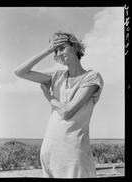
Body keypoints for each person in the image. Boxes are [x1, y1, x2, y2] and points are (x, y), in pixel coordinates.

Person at [14, 31, 104, 178]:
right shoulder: (57, 76)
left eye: (62, 47)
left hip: (75, 150)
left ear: (75, 48)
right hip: (50, 148)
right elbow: (19, 72)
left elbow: (67, 111)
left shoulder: (92, 77)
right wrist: (47, 50)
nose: (59, 53)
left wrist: (48, 97)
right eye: (56, 50)